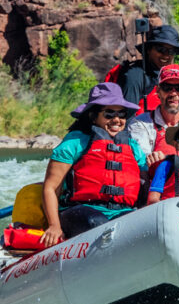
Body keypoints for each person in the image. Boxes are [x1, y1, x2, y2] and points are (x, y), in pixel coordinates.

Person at [40, 82, 149, 247]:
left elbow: (147, 181)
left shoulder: (132, 147)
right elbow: (50, 187)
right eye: (109, 114)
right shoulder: (75, 142)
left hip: (122, 211)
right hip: (80, 210)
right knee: (97, 223)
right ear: (93, 116)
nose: (116, 120)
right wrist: (54, 225)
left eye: (122, 114)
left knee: (136, 227)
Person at [104, 23, 179, 112]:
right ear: (148, 50)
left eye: (171, 51)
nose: (166, 55)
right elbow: (127, 115)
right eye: (161, 49)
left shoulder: (167, 76)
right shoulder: (135, 76)